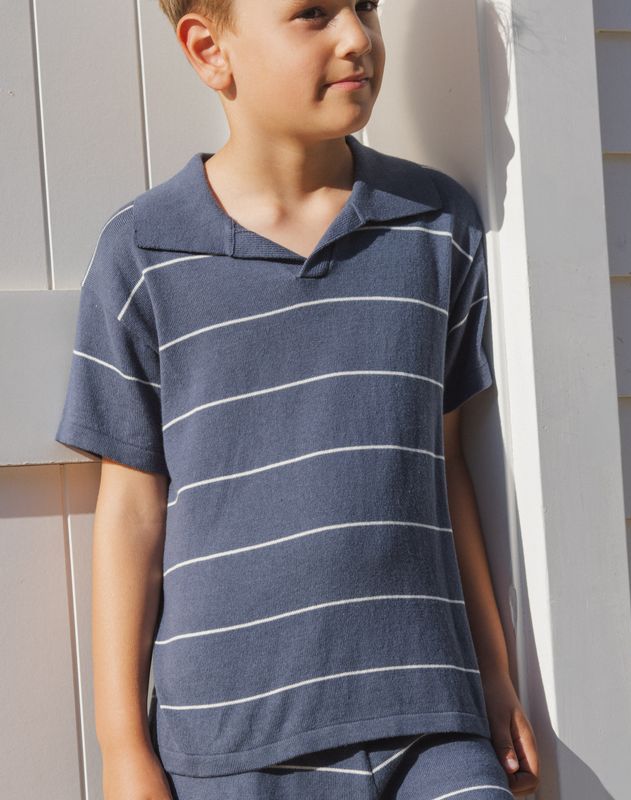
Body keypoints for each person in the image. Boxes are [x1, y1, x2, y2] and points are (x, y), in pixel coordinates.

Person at [54, 1, 540, 798]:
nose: (358, 37)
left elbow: (445, 466)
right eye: (313, 13)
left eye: (367, 5)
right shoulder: (142, 253)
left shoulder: (437, 227)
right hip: (233, 744)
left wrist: (493, 670)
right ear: (210, 50)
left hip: (430, 721)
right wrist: (121, 749)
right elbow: (132, 511)